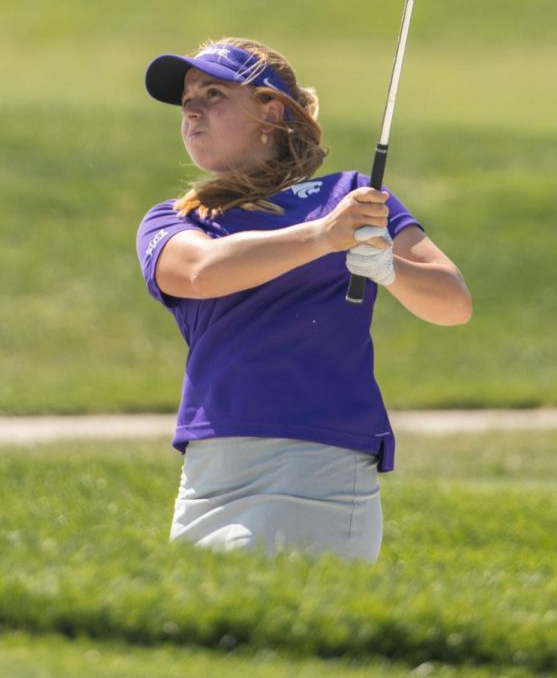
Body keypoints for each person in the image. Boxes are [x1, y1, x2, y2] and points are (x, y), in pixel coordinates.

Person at [136, 38, 471, 562]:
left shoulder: (350, 197)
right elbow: (199, 272)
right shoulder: (177, 218)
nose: (193, 110)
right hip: (208, 466)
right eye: (187, 101)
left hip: (316, 458)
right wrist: (323, 239)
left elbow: (452, 302)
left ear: (271, 112)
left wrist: (386, 265)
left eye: (214, 93)